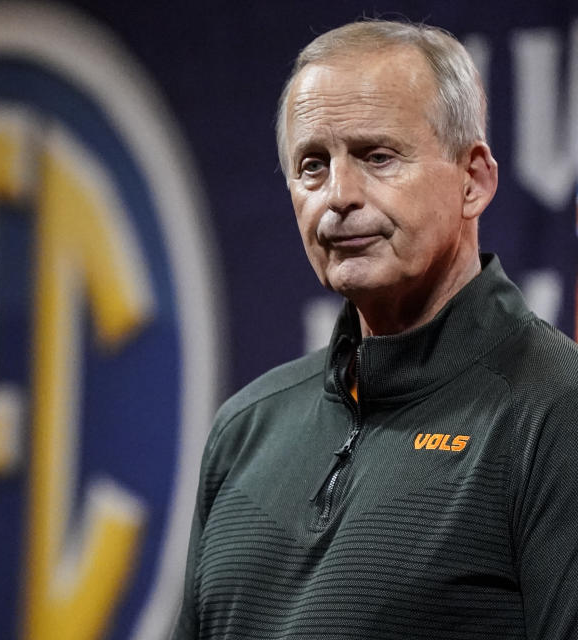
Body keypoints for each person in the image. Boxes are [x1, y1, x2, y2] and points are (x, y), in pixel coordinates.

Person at [172, 20, 578, 640]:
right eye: (312, 165)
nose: (339, 196)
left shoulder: (555, 412)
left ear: (473, 180)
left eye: (377, 156)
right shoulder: (244, 430)